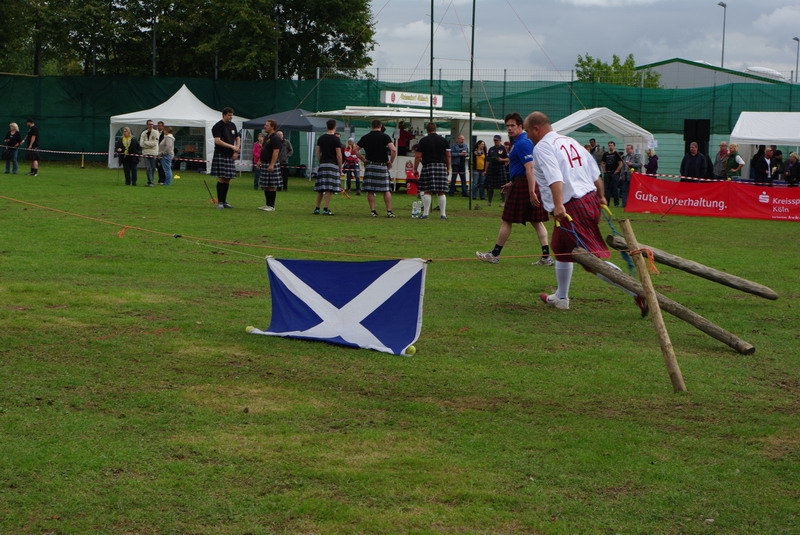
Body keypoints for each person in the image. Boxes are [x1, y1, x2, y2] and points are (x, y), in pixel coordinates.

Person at [523, 111, 648, 316]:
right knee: (560, 248)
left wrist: (559, 206)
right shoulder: (570, 141)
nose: (527, 136)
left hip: (572, 206)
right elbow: (594, 173)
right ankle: (561, 297)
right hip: (588, 200)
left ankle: (635, 290)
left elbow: (555, 178)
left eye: (528, 131)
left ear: (536, 129)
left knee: (590, 259)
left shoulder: (543, 146)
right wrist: (601, 196)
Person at [476, 112, 552, 266]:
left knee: (507, 220)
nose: (509, 129)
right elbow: (525, 169)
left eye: (512, 126)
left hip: (526, 184)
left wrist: (531, 192)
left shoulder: (523, 143)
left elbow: (530, 168)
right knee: (536, 221)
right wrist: (513, 182)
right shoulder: (519, 142)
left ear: (520, 126)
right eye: (507, 126)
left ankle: (494, 254)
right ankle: (546, 257)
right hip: (522, 182)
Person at [355, 119, 397, 218]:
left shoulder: (365, 137)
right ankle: (389, 211)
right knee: (386, 189)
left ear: (371, 126)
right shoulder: (385, 136)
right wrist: (391, 161)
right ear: (380, 126)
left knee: (370, 190)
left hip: (370, 165)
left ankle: (373, 211)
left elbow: (355, 149)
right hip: (382, 165)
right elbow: (393, 150)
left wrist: (363, 159)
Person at [414, 122, 451, 219]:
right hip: (442, 166)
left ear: (427, 130)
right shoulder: (443, 140)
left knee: (427, 190)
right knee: (441, 191)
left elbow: (418, 156)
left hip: (428, 166)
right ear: (435, 129)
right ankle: (443, 214)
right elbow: (448, 156)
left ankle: (426, 214)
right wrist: (448, 168)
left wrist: (415, 169)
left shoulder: (423, 141)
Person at [211, 106, 241, 209]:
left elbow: (237, 137)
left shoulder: (232, 125)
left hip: (230, 154)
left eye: (232, 115)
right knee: (221, 178)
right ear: (224, 115)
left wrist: (236, 148)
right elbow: (217, 140)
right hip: (221, 154)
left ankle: (224, 201)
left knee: (228, 179)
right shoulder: (217, 126)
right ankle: (220, 203)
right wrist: (231, 146)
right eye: (229, 115)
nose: (231, 117)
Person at [313, 119, 342, 215]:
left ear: (326, 127)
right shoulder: (336, 139)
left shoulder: (321, 138)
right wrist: (340, 166)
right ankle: (325, 209)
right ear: (334, 127)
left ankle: (317, 208)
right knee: (329, 188)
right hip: (332, 164)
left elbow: (318, 152)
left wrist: (320, 161)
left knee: (320, 188)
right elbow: (338, 154)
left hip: (323, 164)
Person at [258, 119, 283, 212]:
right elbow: (264, 150)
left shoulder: (275, 138)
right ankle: (267, 204)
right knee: (266, 185)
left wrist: (272, 164)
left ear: (272, 127)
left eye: (267, 125)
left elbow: (276, 151)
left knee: (272, 185)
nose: (265, 126)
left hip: (271, 163)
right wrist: (259, 161)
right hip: (264, 163)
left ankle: (271, 206)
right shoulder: (267, 137)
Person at [485, 134, 509, 206]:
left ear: (500, 140)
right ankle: (489, 202)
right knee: (490, 186)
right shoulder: (491, 149)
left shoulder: (503, 148)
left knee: (502, 186)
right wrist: (485, 170)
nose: (495, 142)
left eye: (497, 140)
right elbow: (487, 160)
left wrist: (501, 160)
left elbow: (508, 159)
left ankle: (504, 202)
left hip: (500, 168)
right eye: (494, 140)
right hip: (492, 168)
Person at [600, 141, 623, 207]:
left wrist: (617, 171)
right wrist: (604, 170)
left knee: (615, 188)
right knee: (606, 188)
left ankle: (616, 203)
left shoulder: (617, 154)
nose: (610, 146)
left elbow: (620, 163)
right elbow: (602, 162)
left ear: (614, 146)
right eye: (609, 145)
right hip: (607, 173)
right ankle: (607, 202)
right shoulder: (605, 154)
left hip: (615, 173)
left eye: (611, 145)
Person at [620, 144, 642, 208]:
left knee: (632, 190)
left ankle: (633, 204)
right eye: (627, 149)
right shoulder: (625, 157)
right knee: (624, 190)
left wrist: (632, 164)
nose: (627, 150)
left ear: (632, 149)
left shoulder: (635, 156)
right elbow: (623, 167)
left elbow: (640, 164)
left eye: (629, 149)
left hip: (632, 176)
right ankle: (624, 204)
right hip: (625, 175)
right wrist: (621, 175)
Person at [139, 119, 159, 187]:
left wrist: (145, 142)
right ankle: (150, 182)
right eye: (149, 124)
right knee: (148, 168)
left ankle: (151, 181)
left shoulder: (156, 132)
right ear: (147, 125)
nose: (151, 125)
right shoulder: (143, 133)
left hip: (153, 153)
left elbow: (154, 143)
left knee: (153, 168)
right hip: (145, 152)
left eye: (152, 124)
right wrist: (148, 144)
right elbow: (141, 144)